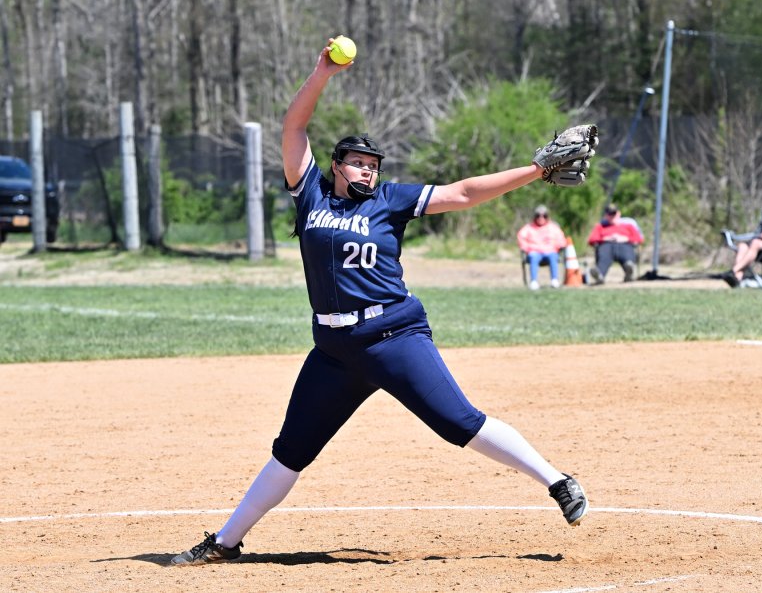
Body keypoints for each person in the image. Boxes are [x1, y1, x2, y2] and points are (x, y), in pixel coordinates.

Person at [171, 39, 589, 566]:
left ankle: (557, 481)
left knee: (458, 423)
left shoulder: (390, 202)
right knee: (291, 451)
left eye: (373, 164)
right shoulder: (311, 197)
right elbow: (293, 129)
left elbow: (463, 193)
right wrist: (322, 72)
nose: (368, 171)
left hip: (393, 336)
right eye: (358, 163)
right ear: (337, 166)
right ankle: (225, 543)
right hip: (333, 350)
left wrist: (537, 170)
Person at [587, 203, 643, 284]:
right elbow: (591, 240)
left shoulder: (628, 226)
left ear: (618, 214)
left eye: (613, 213)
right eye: (609, 214)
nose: (612, 216)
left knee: (627, 257)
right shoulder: (601, 227)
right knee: (604, 257)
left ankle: (629, 271)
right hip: (606, 246)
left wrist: (626, 238)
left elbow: (639, 239)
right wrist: (604, 239)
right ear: (606, 215)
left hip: (625, 245)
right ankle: (599, 274)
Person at [517, 205, 568, 290]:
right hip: (534, 251)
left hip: (550, 251)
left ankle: (554, 280)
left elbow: (561, 239)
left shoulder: (553, 227)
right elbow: (521, 237)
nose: (541, 218)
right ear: (535, 217)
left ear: (547, 216)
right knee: (533, 256)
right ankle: (534, 281)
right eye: (538, 216)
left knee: (553, 256)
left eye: (544, 216)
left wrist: (559, 246)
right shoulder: (528, 228)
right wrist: (527, 248)